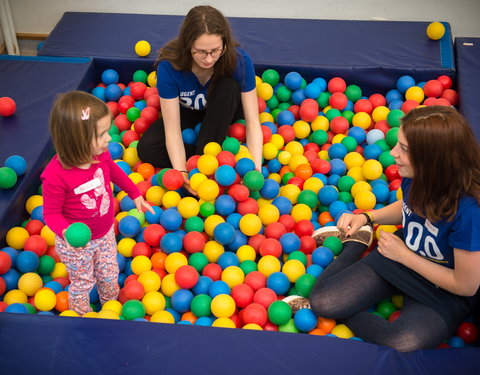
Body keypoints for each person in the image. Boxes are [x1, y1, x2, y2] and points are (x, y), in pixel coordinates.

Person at [289, 105, 480, 351]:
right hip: (403, 255)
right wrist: (369, 217)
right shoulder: (417, 173)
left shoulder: (471, 211)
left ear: (433, 159)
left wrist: (404, 255)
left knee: (403, 341)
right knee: (323, 302)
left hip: (443, 289)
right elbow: (410, 206)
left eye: (404, 149)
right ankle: (356, 242)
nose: (393, 153)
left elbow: (465, 285)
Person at [41, 91, 154, 316]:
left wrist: (135, 193)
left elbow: (113, 171)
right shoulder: (55, 175)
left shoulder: (100, 155)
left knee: (109, 275)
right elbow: (51, 214)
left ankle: (109, 308)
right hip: (76, 244)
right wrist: (68, 231)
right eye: (102, 134)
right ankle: (83, 316)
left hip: (104, 233)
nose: (109, 138)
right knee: (83, 282)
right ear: (78, 141)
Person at [137, 5, 263, 193]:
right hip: (188, 112)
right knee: (146, 149)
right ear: (187, 45)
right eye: (201, 52)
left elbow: (253, 122)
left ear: (225, 44)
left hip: (224, 107)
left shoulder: (239, 60)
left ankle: (208, 158)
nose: (209, 59)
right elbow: (172, 129)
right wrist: (181, 171)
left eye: (215, 50)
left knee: (228, 87)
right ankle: (213, 158)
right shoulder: (170, 66)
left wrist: (254, 167)